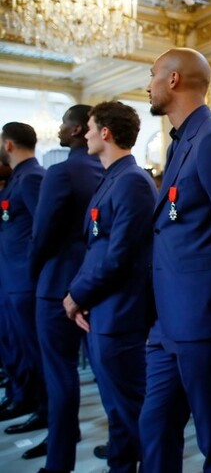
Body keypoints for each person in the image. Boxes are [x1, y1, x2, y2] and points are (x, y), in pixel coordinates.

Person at [139, 48, 211, 472]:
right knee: (155, 427)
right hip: (167, 322)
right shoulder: (181, 141)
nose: (147, 85)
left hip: (205, 322)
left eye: (152, 75)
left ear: (173, 80)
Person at [63, 101, 157, 473]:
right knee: (117, 406)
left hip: (120, 312)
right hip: (104, 308)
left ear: (105, 132)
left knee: (128, 407)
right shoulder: (114, 178)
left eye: (89, 128)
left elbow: (120, 256)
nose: (84, 134)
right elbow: (95, 248)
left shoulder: (131, 180)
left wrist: (77, 295)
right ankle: (121, 461)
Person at [29, 105, 104, 468]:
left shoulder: (61, 172)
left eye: (63, 123)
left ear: (76, 129)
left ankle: (59, 459)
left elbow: (42, 234)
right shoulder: (106, 169)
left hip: (56, 283)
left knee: (59, 373)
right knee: (104, 375)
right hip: (97, 283)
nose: (58, 129)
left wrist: (32, 274)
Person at [0, 123, 47, 431]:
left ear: (8, 145)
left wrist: (30, 268)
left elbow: (42, 229)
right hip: (11, 278)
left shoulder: (32, 177)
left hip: (24, 279)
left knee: (34, 351)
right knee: (15, 345)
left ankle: (44, 409)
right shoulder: (17, 177)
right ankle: (23, 397)